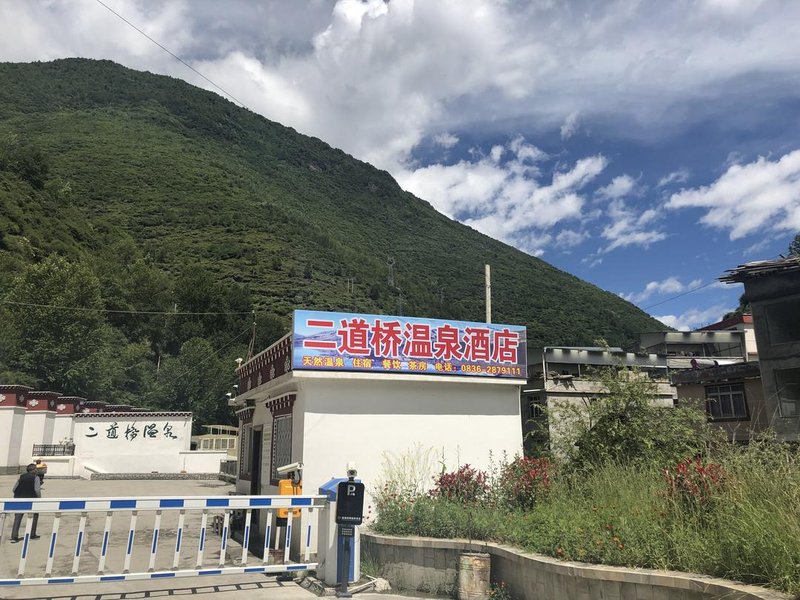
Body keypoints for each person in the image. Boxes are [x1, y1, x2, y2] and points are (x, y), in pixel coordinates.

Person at [10, 464, 41, 543]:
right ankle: (32, 534)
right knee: (35, 515)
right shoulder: (36, 477)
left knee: (18, 517)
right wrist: (39, 498)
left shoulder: (21, 476)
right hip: (31, 499)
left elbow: (14, 488)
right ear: (33, 470)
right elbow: (37, 489)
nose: (37, 470)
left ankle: (14, 537)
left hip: (19, 499)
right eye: (36, 469)